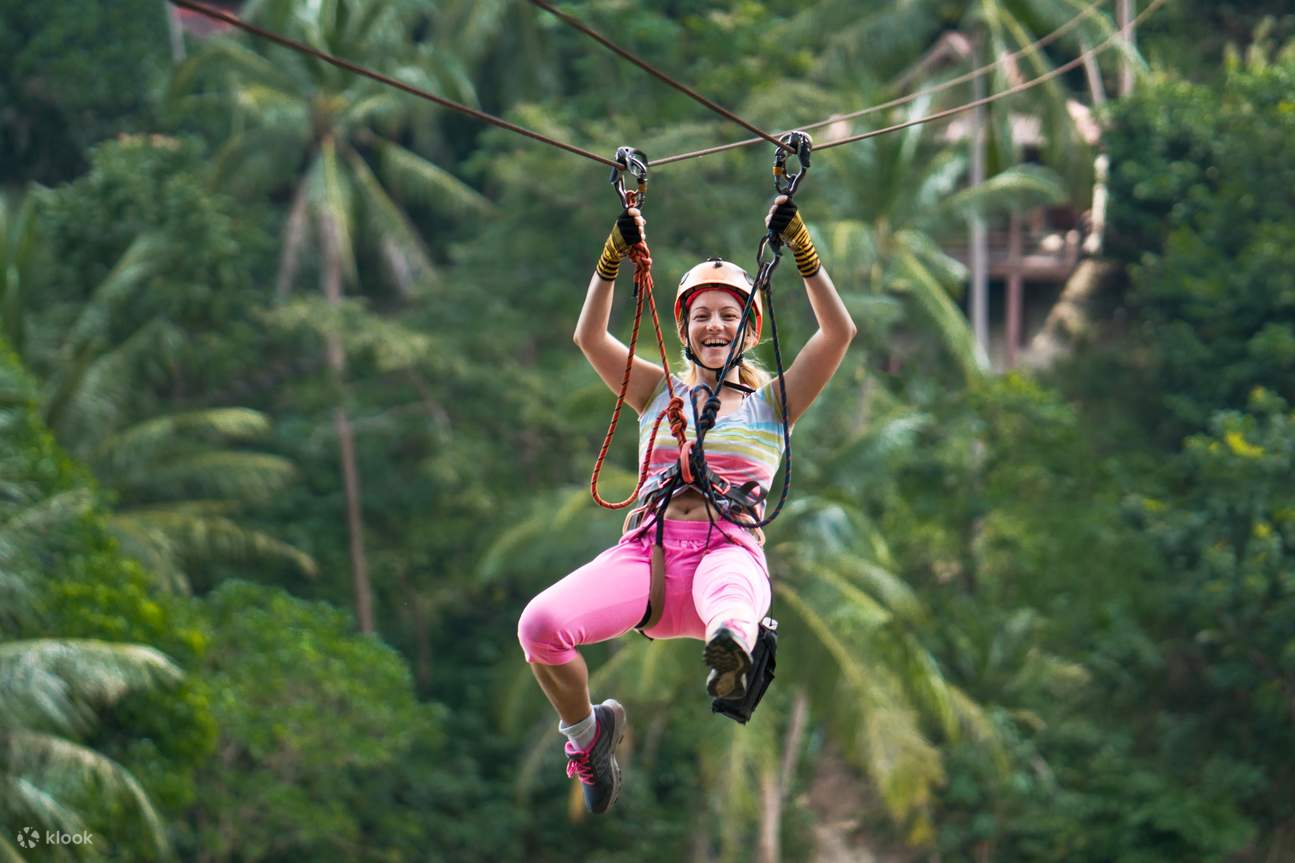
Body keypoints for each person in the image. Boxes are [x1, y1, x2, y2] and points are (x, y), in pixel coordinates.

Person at [516, 195, 856, 814]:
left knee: (729, 608)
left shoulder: (774, 405)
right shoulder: (654, 392)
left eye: (730, 315)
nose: (716, 326)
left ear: (749, 329)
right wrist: (613, 255)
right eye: (702, 316)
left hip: (726, 554)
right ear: (686, 328)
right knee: (539, 628)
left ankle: (732, 656)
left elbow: (838, 333)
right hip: (645, 561)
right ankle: (587, 737)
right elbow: (588, 335)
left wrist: (803, 251)